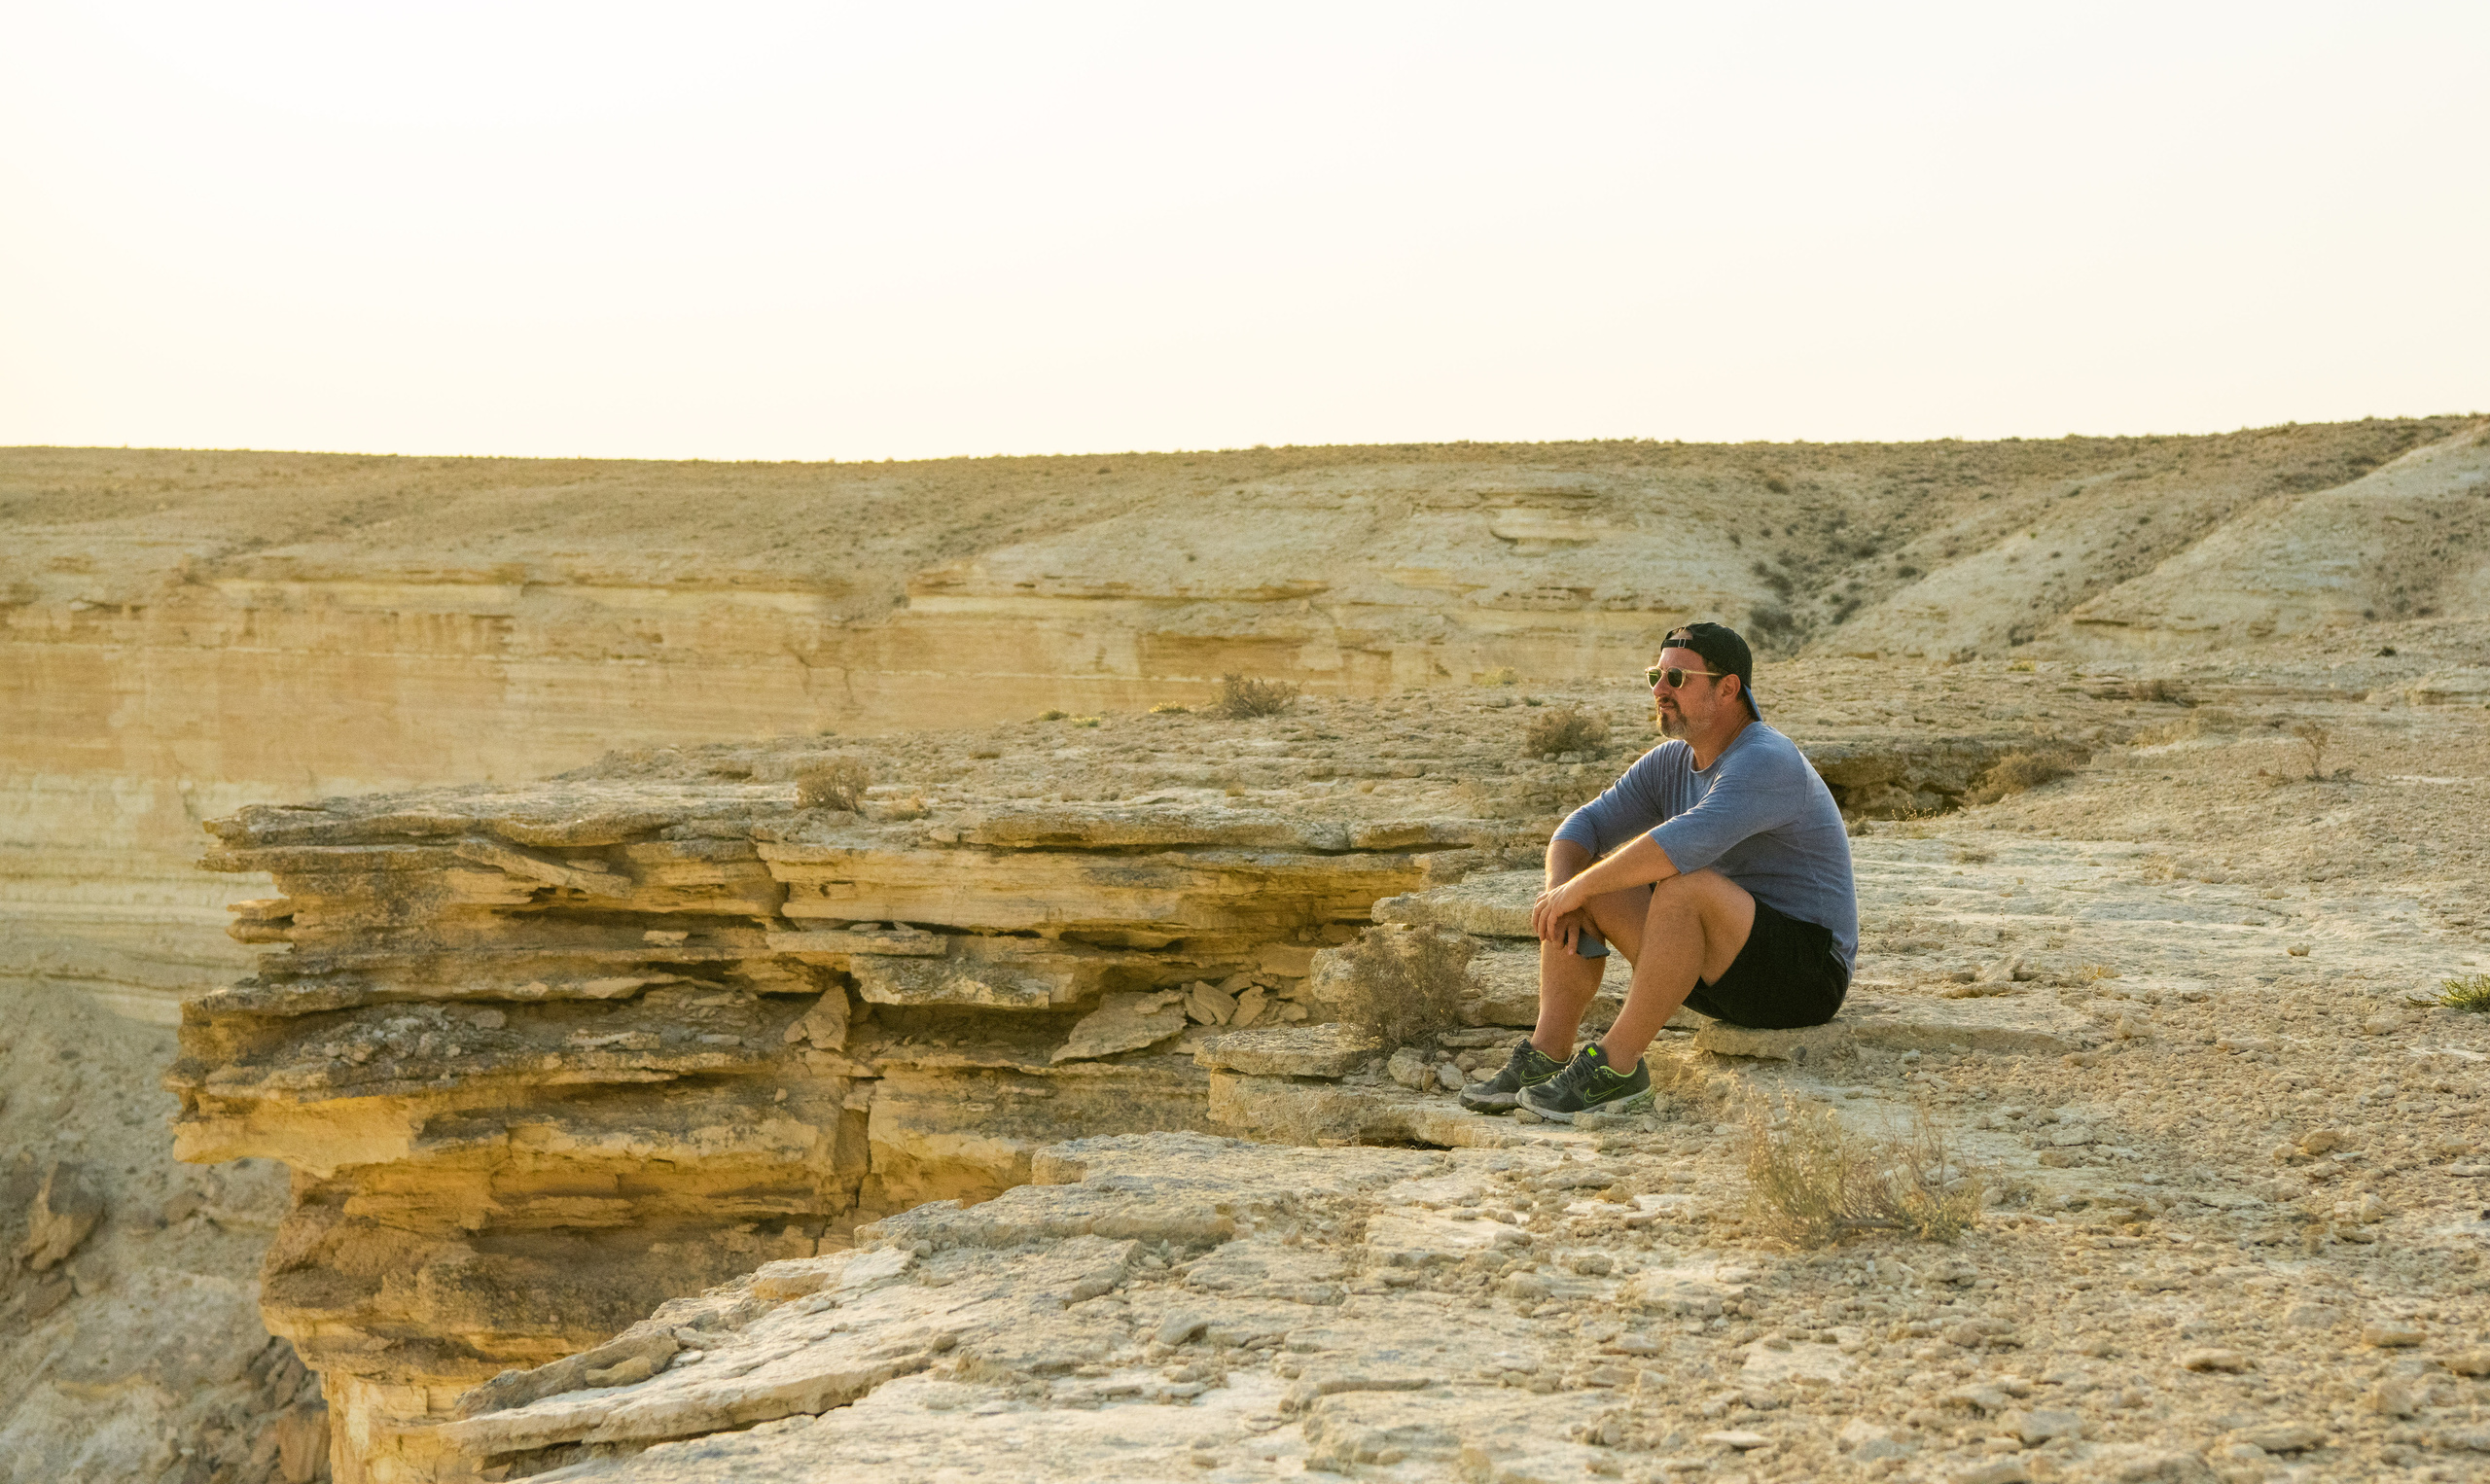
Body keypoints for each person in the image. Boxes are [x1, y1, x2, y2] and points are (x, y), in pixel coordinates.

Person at [1457, 621, 1858, 1122]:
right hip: (1719, 968)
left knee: (1682, 886)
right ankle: (1547, 1053)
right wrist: (1563, 891)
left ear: (1728, 687)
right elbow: (1584, 825)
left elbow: (1681, 844)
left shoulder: (1766, 760)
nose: (1660, 691)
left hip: (1805, 979)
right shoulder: (1672, 761)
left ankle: (1618, 1069)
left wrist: (1577, 888)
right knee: (1591, 886)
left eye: (1678, 679)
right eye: (1656, 676)